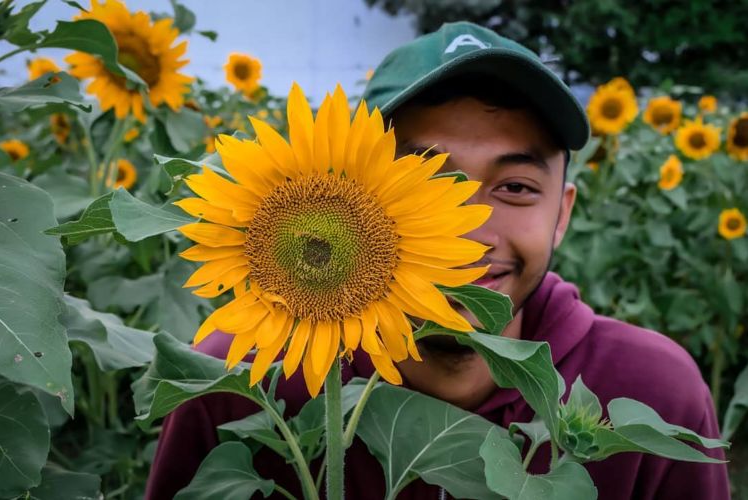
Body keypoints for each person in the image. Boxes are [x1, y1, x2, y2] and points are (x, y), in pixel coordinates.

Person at [146, 21, 729, 499]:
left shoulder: (655, 390)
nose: (467, 231)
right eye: (428, 185)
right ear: (351, 174)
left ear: (563, 211)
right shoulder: (234, 375)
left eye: (516, 188)